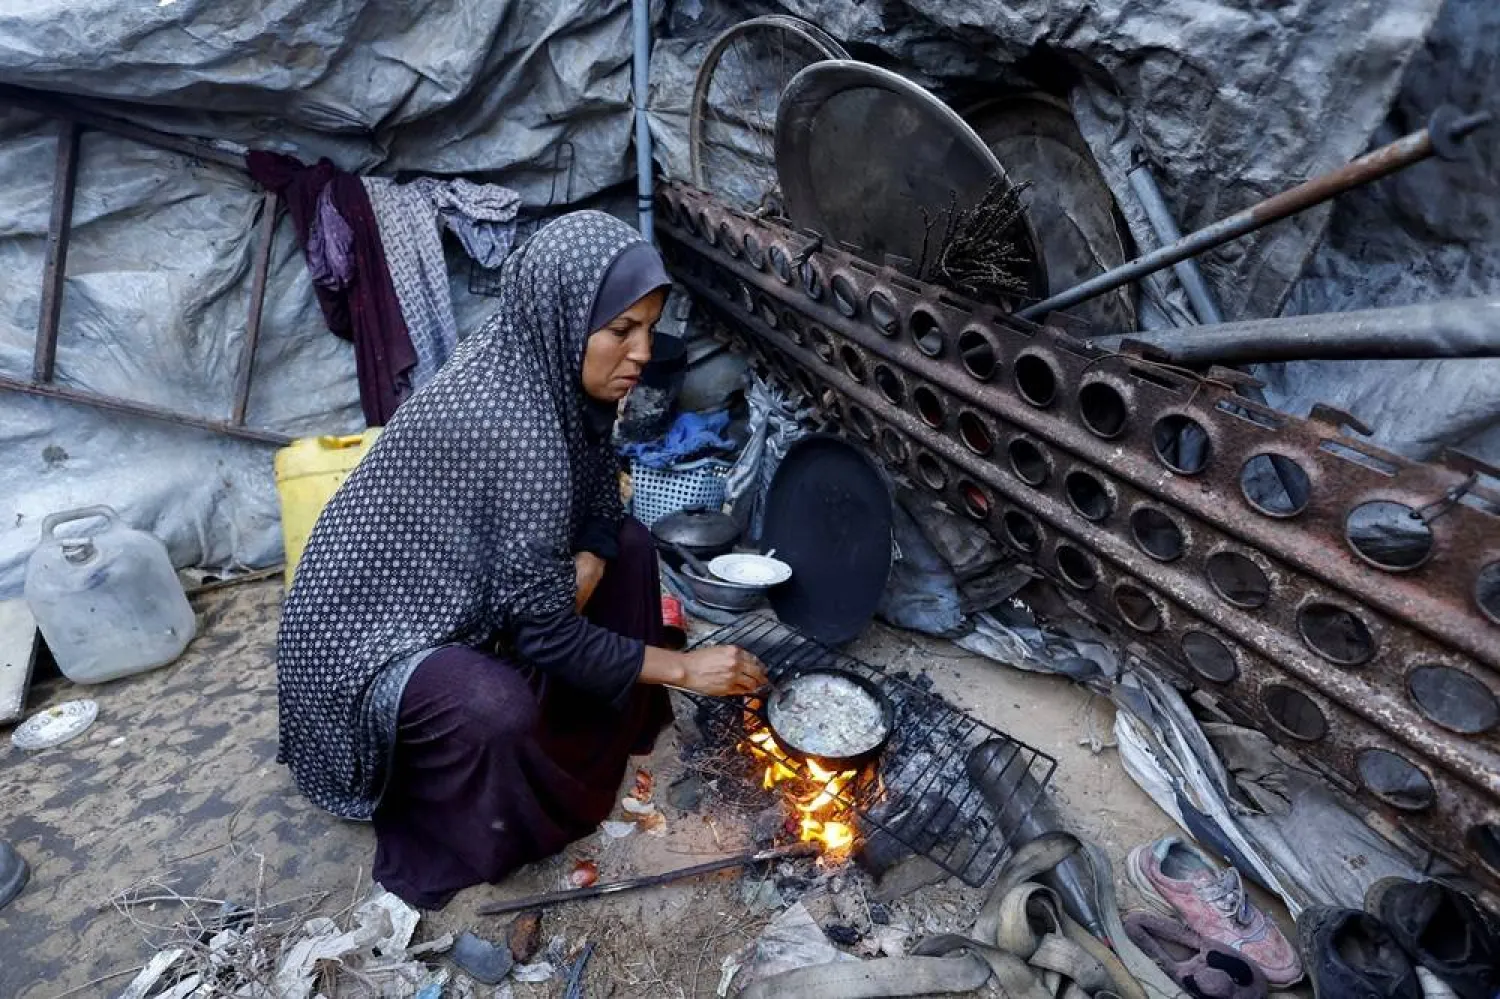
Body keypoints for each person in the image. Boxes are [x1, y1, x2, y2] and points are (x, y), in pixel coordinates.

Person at [276, 211, 768, 909]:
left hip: (449, 587)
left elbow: (603, 503)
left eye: (649, 328)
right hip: (360, 647)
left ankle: (612, 724)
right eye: (621, 330)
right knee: (493, 707)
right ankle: (495, 813)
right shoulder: (520, 424)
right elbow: (545, 631)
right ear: (567, 315)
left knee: (627, 545)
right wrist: (686, 668)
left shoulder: (545, 363)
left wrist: (591, 561)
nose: (641, 352)